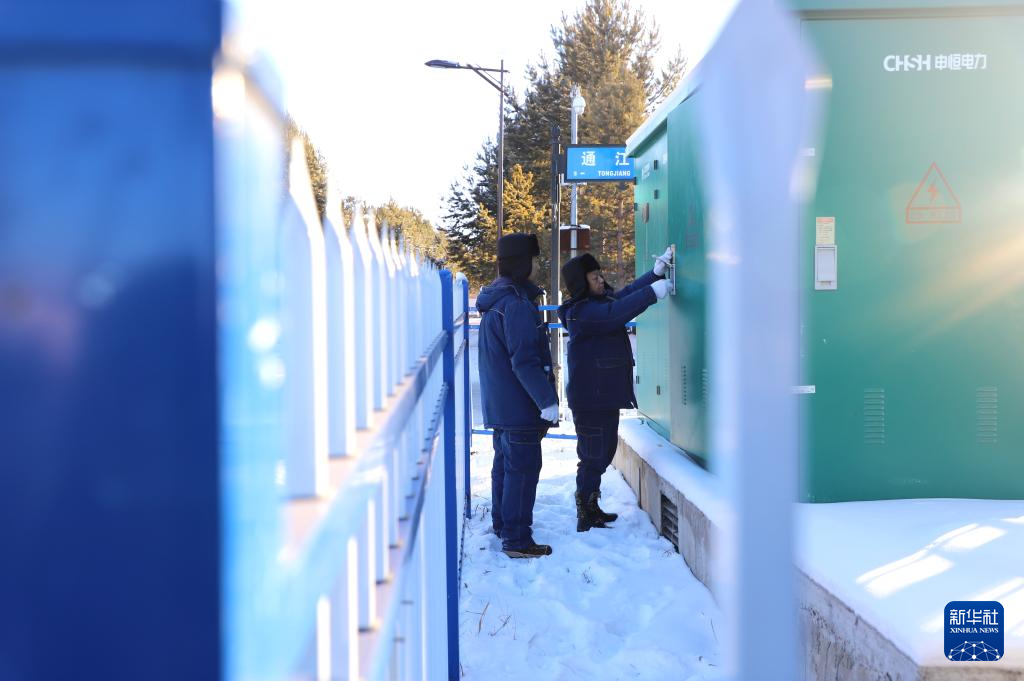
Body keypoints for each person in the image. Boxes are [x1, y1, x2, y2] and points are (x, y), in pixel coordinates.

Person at [557, 247, 673, 531]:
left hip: (603, 398)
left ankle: (592, 505)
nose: (601, 280)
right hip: (590, 401)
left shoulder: (597, 303)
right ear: (581, 284)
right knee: (592, 457)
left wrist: (654, 275)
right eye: (594, 277)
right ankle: (585, 510)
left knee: (603, 452)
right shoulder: (583, 313)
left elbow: (624, 296)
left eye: (600, 275)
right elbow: (616, 312)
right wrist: (653, 293)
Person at [476, 233, 560, 559]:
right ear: (523, 263)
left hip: (502, 407)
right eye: (534, 260)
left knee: (506, 469)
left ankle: (504, 525)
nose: (537, 266)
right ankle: (517, 539)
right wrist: (546, 400)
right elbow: (524, 360)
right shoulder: (516, 305)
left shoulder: (497, 301)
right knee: (522, 472)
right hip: (520, 407)